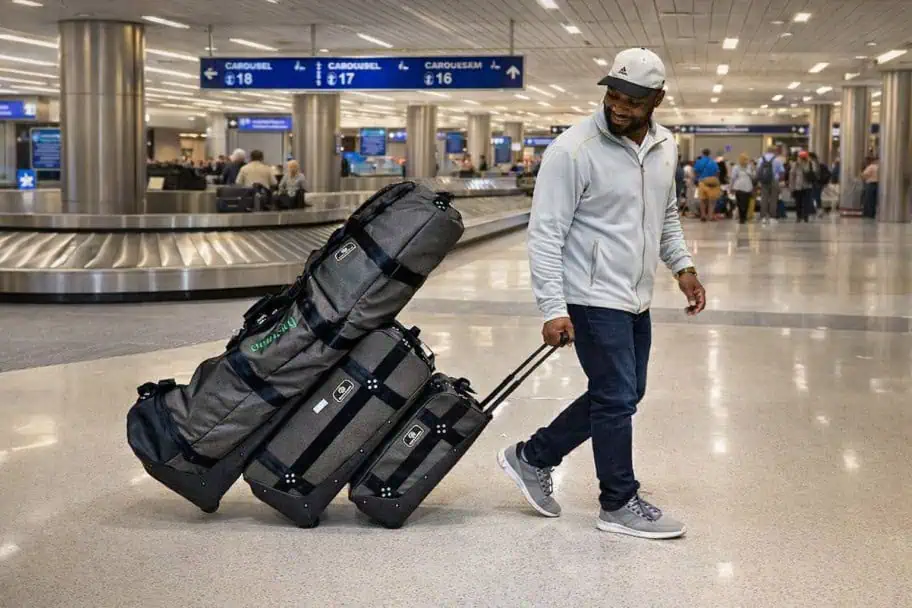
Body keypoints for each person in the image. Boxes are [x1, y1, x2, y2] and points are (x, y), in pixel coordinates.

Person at [499, 47, 705, 541]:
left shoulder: (664, 146)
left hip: (636, 297)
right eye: (613, 92)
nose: (619, 105)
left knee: (626, 392)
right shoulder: (573, 149)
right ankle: (618, 500)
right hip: (589, 296)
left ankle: (533, 456)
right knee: (615, 397)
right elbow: (545, 234)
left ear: (656, 98)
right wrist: (552, 307)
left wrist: (682, 266)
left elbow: (666, 213)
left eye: (632, 98)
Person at [756, 146, 785, 224]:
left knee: (764, 198)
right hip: (774, 180)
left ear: (767, 151)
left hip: (764, 181)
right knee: (773, 199)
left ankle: (763, 217)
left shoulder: (761, 159)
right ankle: (772, 217)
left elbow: (758, 171)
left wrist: (759, 180)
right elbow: (782, 172)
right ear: (774, 151)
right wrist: (780, 180)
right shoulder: (777, 159)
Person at [694, 148, 720, 222]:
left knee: (702, 200)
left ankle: (703, 216)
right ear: (709, 154)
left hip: (702, 182)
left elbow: (695, 172)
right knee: (712, 201)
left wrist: (696, 179)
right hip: (712, 183)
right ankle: (710, 216)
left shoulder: (699, 162)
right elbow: (717, 172)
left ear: (702, 153)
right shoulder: (713, 162)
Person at [789, 150, 815, 222]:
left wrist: (791, 187)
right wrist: (792, 187)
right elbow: (792, 176)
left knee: (803, 202)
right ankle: (801, 216)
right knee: (800, 202)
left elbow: (792, 176)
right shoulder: (796, 165)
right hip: (801, 186)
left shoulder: (809, 164)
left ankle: (803, 216)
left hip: (804, 186)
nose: (802, 159)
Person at [730, 153, 755, 224]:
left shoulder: (747, 167)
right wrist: (731, 187)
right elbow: (733, 178)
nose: (747, 161)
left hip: (742, 186)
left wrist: (731, 187)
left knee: (743, 203)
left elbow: (733, 178)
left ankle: (742, 217)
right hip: (744, 187)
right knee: (742, 203)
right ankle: (742, 217)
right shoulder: (738, 167)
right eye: (746, 159)